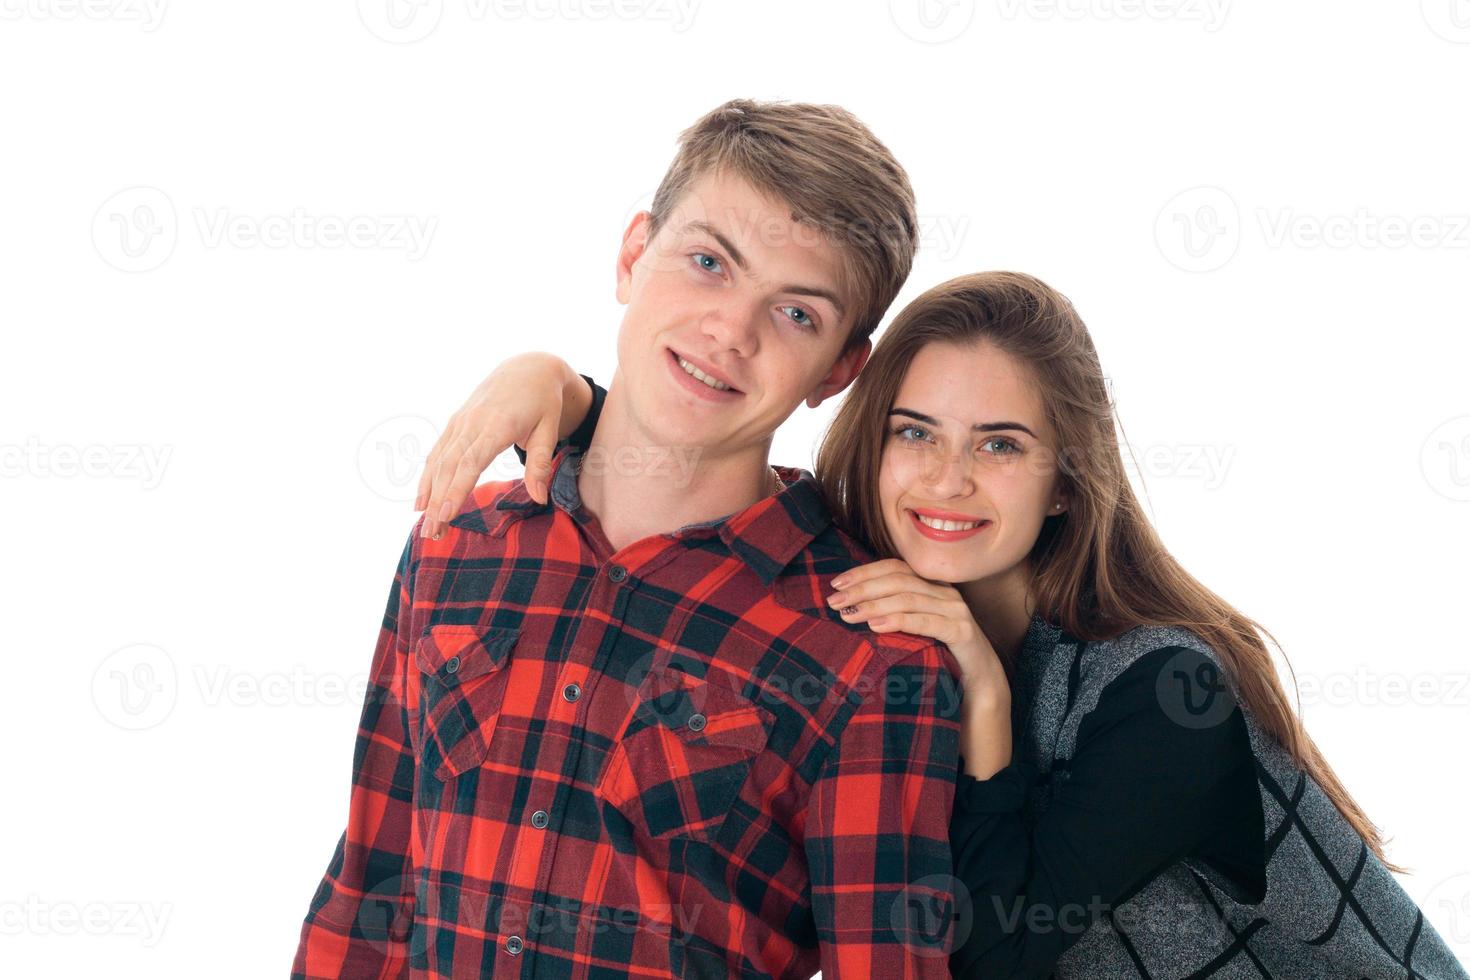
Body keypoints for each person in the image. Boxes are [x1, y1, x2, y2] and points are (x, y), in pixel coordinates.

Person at [415, 271, 1469, 978]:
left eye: (1001, 444)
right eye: (916, 431)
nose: (948, 479)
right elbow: (707, 476)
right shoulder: (863, 592)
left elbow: (984, 955)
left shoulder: (1162, 694)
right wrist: (563, 387)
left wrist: (984, 692)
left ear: (1065, 482)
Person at [292, 99, 971, 979]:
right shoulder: (456, 539)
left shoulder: (871, 656)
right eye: (707, 263)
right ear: (631, 254)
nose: (731, 330)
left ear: (839, 370)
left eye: (797, 314)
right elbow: (371, 885)